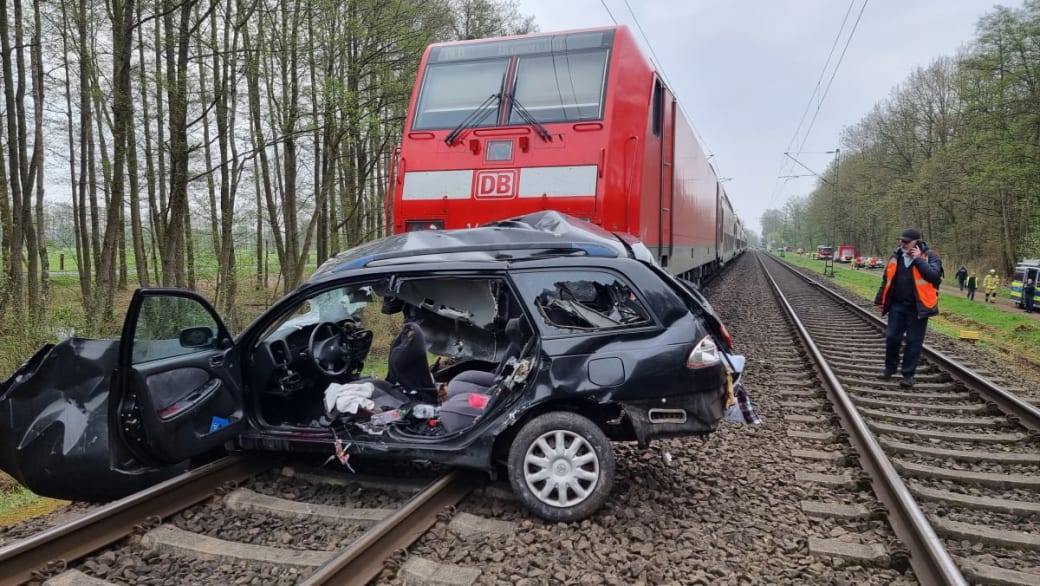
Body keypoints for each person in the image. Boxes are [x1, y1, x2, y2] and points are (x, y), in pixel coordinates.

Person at [874, 228, 942, 388]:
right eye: (901, 240)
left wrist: (918, 259)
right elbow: (887, 279)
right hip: (897, 305)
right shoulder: (896, 255)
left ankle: (908, 375)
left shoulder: (930, 256)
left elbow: (934, 276)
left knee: (913, 341)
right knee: (892, 337)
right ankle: (889, 369)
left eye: (906, 241)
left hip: (919, 307)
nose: (902, 243)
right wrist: (880, 300)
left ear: (916, 242)